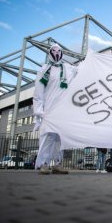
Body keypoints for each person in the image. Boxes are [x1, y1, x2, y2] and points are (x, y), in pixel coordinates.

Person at [33, 44, 78, 174]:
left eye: (59, 50)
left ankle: (57, 164)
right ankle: (44, 164)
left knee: (59, 137)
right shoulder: (44, 70)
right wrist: (39, 111)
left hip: (63, 110)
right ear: (50, 52)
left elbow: (82, 70)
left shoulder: (68, 68)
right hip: (48, 110)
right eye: (54, 50)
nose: (57, 52)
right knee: (47, 137)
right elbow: (38, 93)